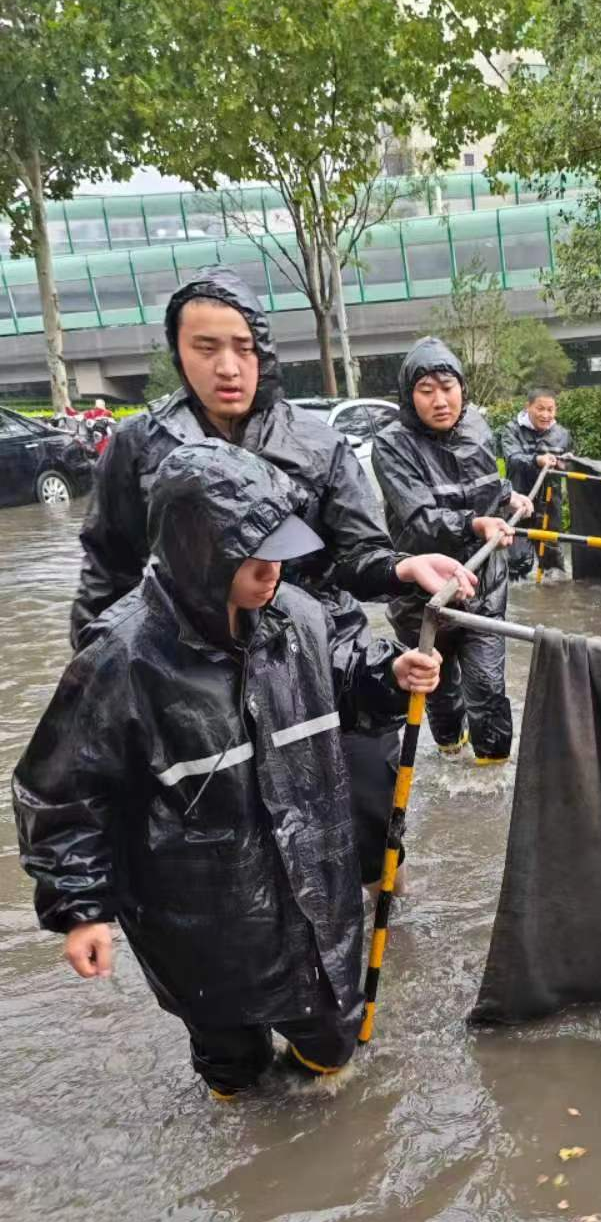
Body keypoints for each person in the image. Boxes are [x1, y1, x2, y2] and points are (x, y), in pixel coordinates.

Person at [14, 442, 441, 1100]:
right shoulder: (122, 658)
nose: (273, 570)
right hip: (198, 919)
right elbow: (61, 794)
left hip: (315, 899)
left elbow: (342, 683)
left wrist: (389, 676)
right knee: (231, 1065)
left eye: (281, 549)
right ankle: (238, 1108)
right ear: (197, 551)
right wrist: (81, 912)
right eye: (253, 555)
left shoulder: (300, 616)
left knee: (333, 1045)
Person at [70, 266, 474, 885]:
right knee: (219, 853)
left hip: (322, 651)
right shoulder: (136, 446)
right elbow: (108, 574)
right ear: (178, 351)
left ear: (263, 351)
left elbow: (358, 554)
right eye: (206, 348)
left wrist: (402, 566)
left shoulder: (317, 443)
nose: (227, 367)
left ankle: (373, 919)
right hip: (193, 672)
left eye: (242, 347)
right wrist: (95, 680)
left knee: (370, 823)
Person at [372, 339, 534, 765]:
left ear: (462, 387)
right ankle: (449, 753)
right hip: (423, 596)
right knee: (439, 690)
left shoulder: (477, 426)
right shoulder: (391, 445)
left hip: (484, 582)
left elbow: (485, 480)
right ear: (409, 396)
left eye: (448, 388)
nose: (440, 401)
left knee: (488, 687)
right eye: (426, 391)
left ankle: (492, 771)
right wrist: (475, 523)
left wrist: (507, 496)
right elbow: (419, 517)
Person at [499, 388, 575, 578]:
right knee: (517, 561)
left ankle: (551, 591)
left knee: (552, 561)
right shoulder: (512, 429)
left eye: (550, 409)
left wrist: (564, 465)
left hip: (550, 503)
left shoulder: (563, 434)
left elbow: (571, 464)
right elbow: (513, 459)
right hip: (519, 500)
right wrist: (537, 460)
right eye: (540, 409)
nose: (546, 415)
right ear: (528, 407)